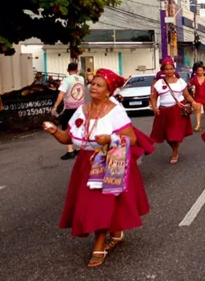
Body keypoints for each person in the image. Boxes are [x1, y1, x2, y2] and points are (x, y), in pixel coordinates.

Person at [43, 68, 151, 268]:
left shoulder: (115, 110)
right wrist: (54, 131)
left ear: (108, 91)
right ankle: (116, 233)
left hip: (108, 159)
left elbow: (132, 139)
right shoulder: (82, 110)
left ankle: (99, 245)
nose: (93, 87)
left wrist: (111, 138)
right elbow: (68, 138)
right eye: (93, 83)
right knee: (96, 204)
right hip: (85, 163)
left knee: (100, 204)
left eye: (99, 85)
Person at [150, 57, 198, 164]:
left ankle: (175, 152)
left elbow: (186, 95)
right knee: (166, 135)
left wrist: (193, 102)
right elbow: (154, 97)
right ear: (163, 70)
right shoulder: (159, 83)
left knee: (174, 134)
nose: (169, 71)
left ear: (174, 69)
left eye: (171, 69)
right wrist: (154, 107)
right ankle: (174, 148)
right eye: (166, 69)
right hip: (163, 111)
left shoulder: (180, 82)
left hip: (177, 111)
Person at [51, 63, 86, 160]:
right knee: (79, 126)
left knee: (67, 128)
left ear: (67, 69)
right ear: (77, 69)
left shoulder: (66, 80)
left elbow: (61, 94)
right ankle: (79, 149)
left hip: (70, 108)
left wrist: (55, 107)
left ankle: (70, 151)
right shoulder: (81, 79)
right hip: (81, 107)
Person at [190, 65, 205, 131]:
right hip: (197, 97)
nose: (199, 72)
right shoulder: (194, 79)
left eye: (201, 70)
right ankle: (198, 124)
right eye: (198, 70)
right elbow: (190, 85)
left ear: (204, 71)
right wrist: (191, 88)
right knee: (198, 111)